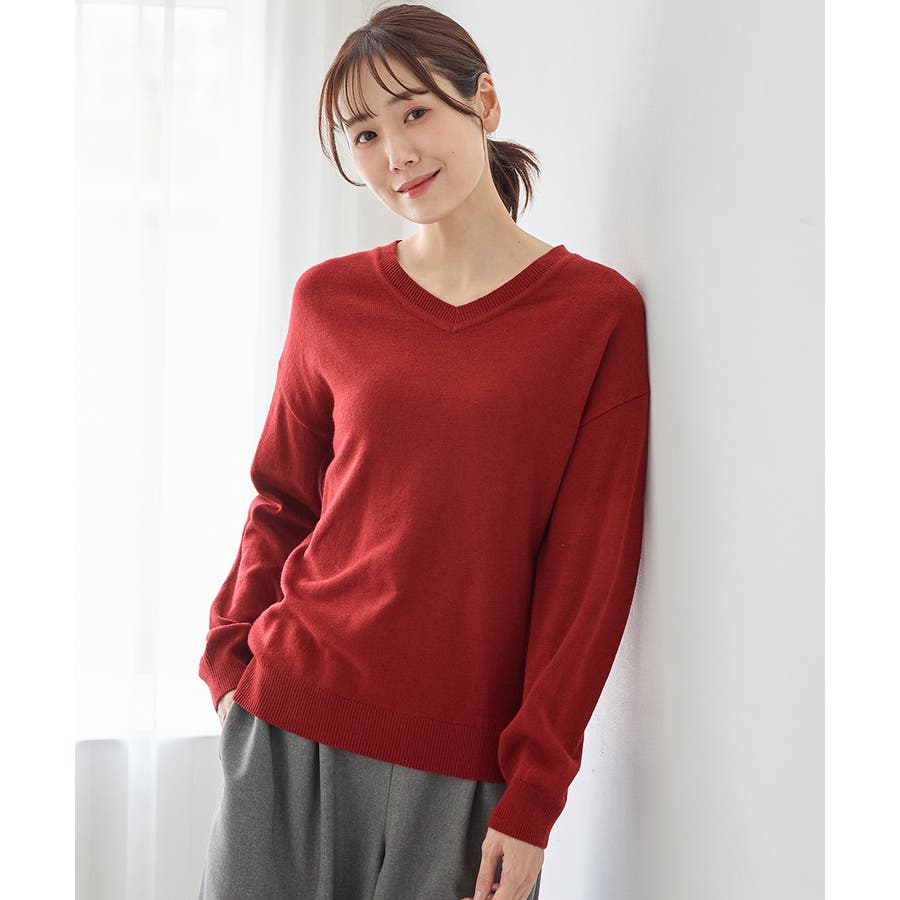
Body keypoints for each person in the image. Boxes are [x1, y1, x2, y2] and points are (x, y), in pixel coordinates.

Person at [197, 4, 651, 899]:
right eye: (365, 133)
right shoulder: (328, 301)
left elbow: (589, 573)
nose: (396, 153)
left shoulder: (594, 316)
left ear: (484, 103)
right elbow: (282, 501)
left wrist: (535, 794)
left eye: (415, 112)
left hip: (465, 771)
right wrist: (228, 658)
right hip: (287, 727)